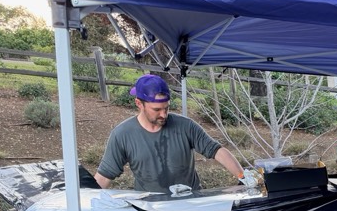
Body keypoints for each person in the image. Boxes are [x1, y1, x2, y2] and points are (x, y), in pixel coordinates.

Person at [94, 74, 245, 192]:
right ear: (139, 104)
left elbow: (217, 151)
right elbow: (104, 176)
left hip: (189, 202)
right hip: (150, 207)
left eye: (166, 108)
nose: (163, 115)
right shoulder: (122, 135)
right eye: (157, 110)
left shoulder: (186, 126)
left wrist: (243, 178)